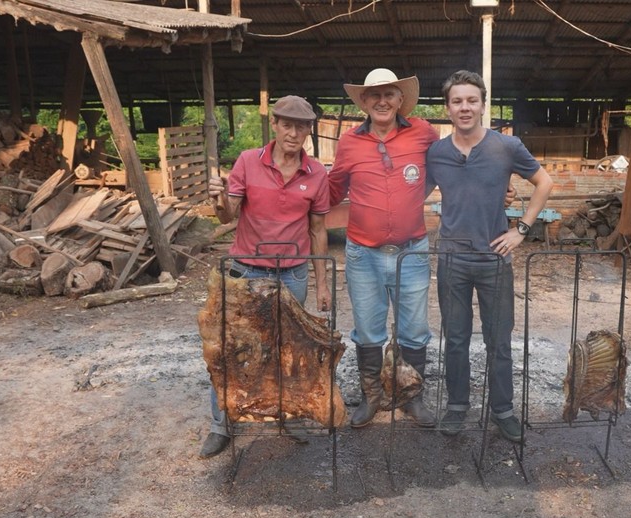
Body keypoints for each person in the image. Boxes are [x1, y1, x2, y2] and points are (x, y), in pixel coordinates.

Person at [200, 95, 332, 458]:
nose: (293, 133)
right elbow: (228, 216)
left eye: (301, 126)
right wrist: (220, 198)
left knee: (287, 349)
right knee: (231, 348)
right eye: (286, 124)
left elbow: (318, 229)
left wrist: (322, 284)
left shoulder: (316, 172)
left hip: (292, 273)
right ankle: (220, 424)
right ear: (274, 125)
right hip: (247, 270)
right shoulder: (247, 161)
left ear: (308, 131)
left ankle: (285, 414)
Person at [425, 70, 554, 442]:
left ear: (483, 104)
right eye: (457, 101)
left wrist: (522, 230)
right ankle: (457, 407)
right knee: (457, 338)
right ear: (448, 108)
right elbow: (417, 194)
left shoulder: (506, 147)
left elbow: (544, 183)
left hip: (494, 260)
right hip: (451, 258)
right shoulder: (437, 153)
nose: (464, 107)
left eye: (471, 100)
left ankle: (503, 410)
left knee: (499, 340)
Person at [327, 68, 440, 428]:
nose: (381, 101)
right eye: (373, 95)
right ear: (363, 101)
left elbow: (442, 171)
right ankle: (372, 395)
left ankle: (411, 396)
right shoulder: (348, 143)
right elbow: (331, 189)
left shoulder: (423, 132)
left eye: (389, 94)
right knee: (368, 329)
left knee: (415, 329)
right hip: (363, 253)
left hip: (412, 251)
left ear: (400, 99)